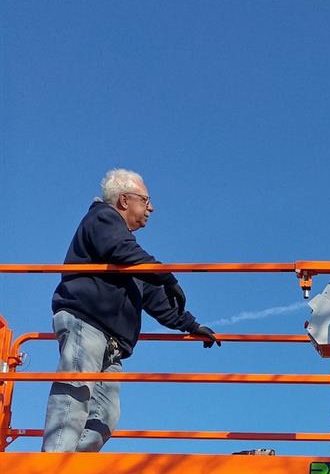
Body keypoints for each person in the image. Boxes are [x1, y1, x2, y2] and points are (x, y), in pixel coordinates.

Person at [42, 169, 218, 452]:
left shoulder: (127, 253)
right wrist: (166, 275)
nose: (151, 208)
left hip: (112, 342)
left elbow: (150, 296)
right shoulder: (103, 219)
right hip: (87, 323)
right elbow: (126, 254)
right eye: (146, 200)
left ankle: (71, 471)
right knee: (75, 393)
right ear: (124, 200)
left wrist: (190, 324)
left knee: (106, 415)